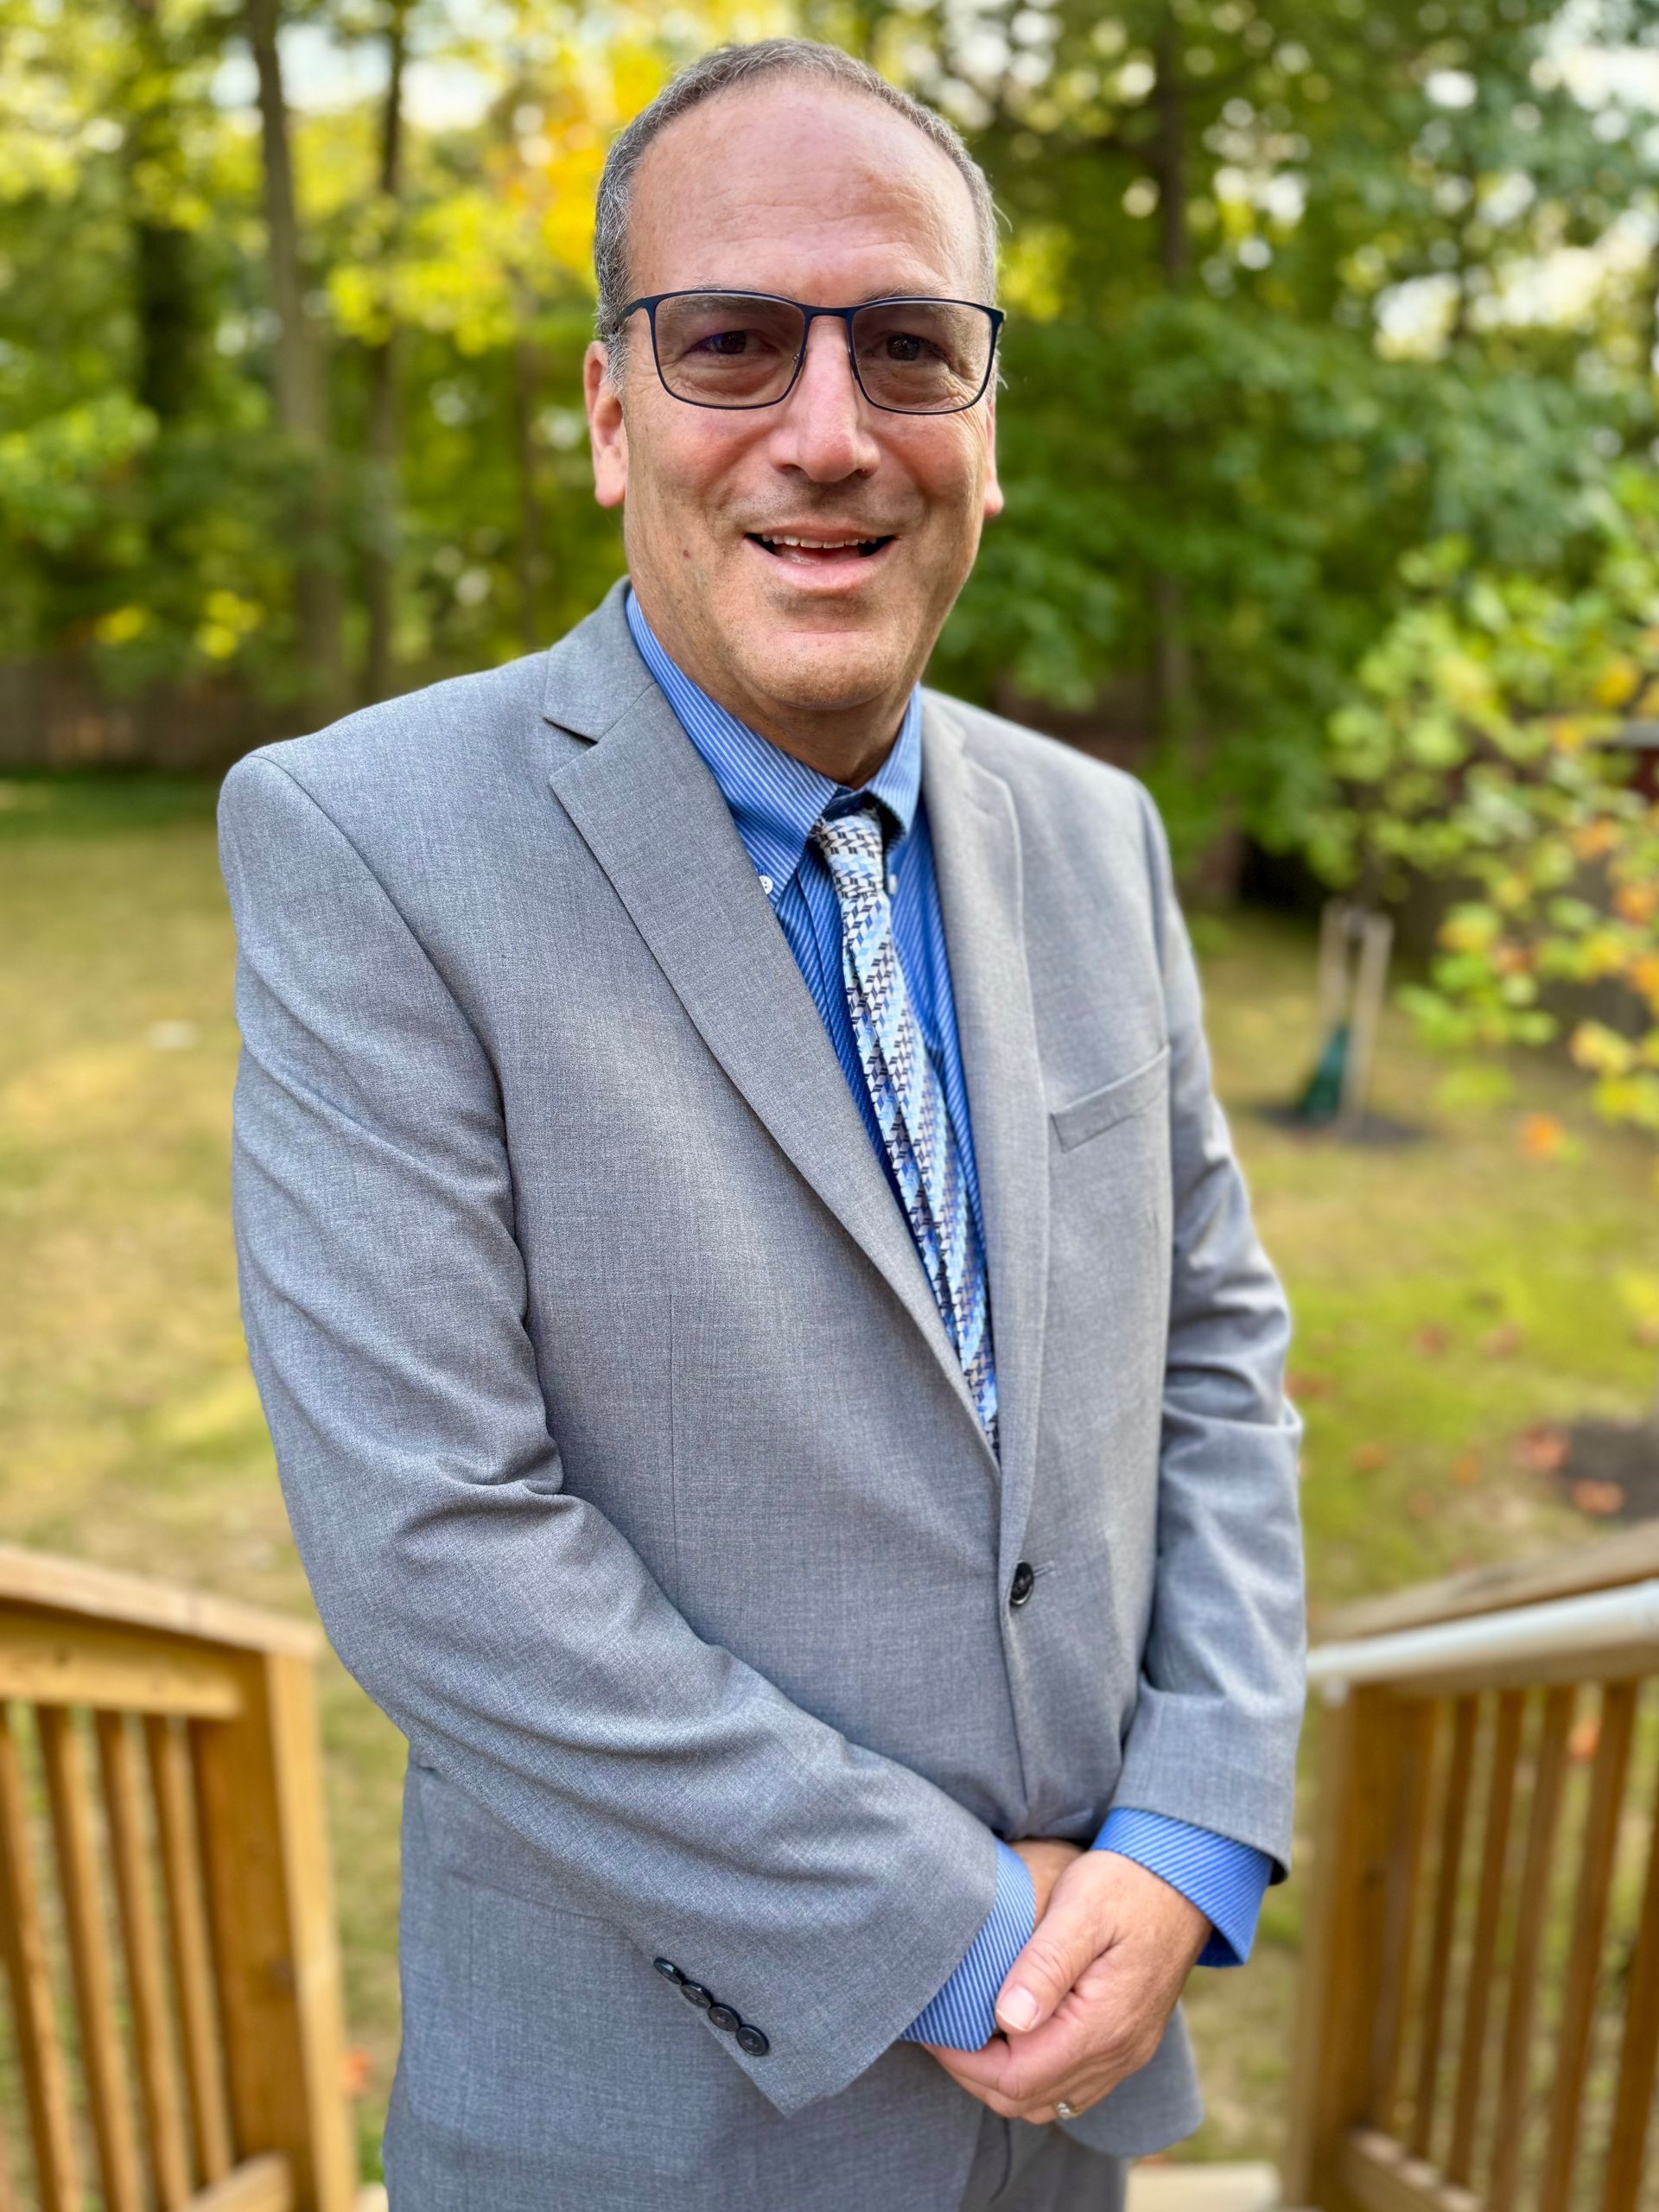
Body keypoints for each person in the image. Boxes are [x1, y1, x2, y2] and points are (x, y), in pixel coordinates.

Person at [218, 37, 1305, 2212]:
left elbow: (1213, 1346)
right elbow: (437, 1544)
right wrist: (961, 1928)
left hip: (1074, 2098)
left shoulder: (1098, 834)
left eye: (909, 347)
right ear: (615, 410)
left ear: (983, 426)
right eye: (733, 343)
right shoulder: (366, 840)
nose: (831, 432)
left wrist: (1188, 1831)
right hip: (646, 2133)